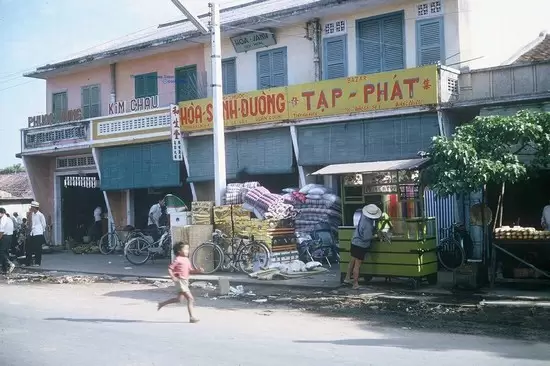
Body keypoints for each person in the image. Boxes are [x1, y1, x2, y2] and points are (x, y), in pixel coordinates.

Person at [157, 242, 204, 323]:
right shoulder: (177, 259)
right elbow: (170, 268)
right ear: (179, 251)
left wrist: (198, 270)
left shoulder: (186, 260)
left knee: (179, 300)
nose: (187, 251)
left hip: (185, 281)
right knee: (190, 298)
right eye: (185, 249)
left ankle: (162, 304)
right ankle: (192, 317)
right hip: (180, 281)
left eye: (188, 249)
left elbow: (190, 271)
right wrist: (173, 277)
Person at [344, 204, 382, 290]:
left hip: (354, 241)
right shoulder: (368, 224)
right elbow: (366, 237)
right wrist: (376, 236)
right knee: (357, 265)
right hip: (360, 245)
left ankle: (347, 278)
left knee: (352, 261)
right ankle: (355, 284)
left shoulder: (363, 216)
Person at [26, 201, 47, 267]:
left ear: (35, 207)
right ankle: (28, 262)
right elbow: (31, 223)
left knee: (38, 249)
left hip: (38, 233)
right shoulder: (32, 214)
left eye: (32, 207)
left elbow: (44, 224)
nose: (31, 208)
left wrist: (40, 231)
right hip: (33, 233)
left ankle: (37, 262)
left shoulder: (40, 215)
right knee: (29, 248)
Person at [0, 208, 15, 275]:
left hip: (5, 237)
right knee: (5, 252)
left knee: (1, 252)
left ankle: (10, 263)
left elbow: (1, 231)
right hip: (10, 237)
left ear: (1, 213)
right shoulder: (9, 219)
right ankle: (4, 269)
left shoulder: (3, 219)